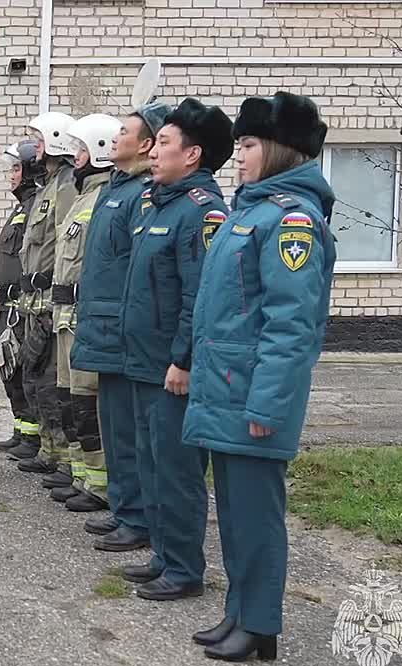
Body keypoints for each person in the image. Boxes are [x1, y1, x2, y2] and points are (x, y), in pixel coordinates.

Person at [183, 92, 335, 662]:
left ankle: (262, 622)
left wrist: (268, 407)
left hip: (251, 397)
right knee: (235, 515)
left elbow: (292, 328)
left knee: (256, 515)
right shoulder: (250, 212)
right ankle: (239, 612)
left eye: (247, 145)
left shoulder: (292, 222)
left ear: (276, 150)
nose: (238, 156)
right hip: (225, 388)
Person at [119, 98, 233, 602]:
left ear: (193, 155)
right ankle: (164, 555)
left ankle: (186, 568)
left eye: (164, 143)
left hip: (171, 368)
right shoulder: (158, 206)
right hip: (143, 362)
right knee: (152, 463)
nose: (154, 150)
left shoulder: (201, 213)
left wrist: (182, 359)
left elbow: (199, 295)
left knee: (178, 470)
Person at [71, 102, 171, 551]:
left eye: (124, 132)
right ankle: (125, 509)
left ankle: (141, 519)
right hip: (103, 326)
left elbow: (139, 267)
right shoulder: (116, 188)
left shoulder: (143, 194)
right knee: (114, 428)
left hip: (125, 330)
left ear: (146, 145)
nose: (115, 138)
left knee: (133, 432)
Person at [47, 113, 122, 513]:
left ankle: (101, 486)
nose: (74, 156)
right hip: (65, 314)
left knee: (88, 401)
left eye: (80, 149)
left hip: (83, 314)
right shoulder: (82, 198)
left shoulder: (105, 200)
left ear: (99, 151)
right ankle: (82, 475)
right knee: (69, 399)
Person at [16, 112, 78, 491]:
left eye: (39, 141)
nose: (34, 148)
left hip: (51, 302)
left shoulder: (66, 186)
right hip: (34, 302)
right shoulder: (50, 186)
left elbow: (64, 247)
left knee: (53, 382)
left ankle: (66, 461)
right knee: (37, 378)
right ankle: (50, 452)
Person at [0, 140, 45, 461]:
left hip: (23, 306)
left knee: (27, 371)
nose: (11, 175)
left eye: (16, 168)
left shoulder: (37, 205)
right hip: (8, 306)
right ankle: (22, 430)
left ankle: (34, 438)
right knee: (10, 371)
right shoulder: (21, 206)